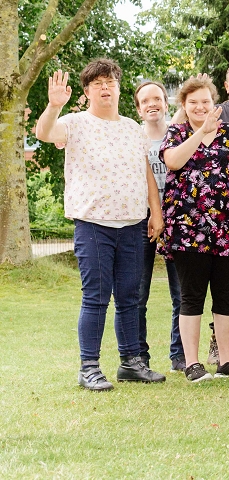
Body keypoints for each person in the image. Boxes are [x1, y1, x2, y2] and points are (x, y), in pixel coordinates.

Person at [34, 59, 166, 391]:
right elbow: (43, 133)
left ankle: (131, 363)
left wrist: (156, 212)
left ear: (119, 88)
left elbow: (146, 173)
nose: (105, 88)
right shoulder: (74, 123)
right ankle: (89, 368)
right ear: (87, 91)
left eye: (110, 82)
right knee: (96, 297)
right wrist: (54, 106)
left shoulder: (133, 128)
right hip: (93, 224)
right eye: (97, 84)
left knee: (130, 297)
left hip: (133, 224)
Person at [160, 77, 229, 382]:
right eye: (193, 102)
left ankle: (226, 360)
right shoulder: (177, 133)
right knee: (192, 296)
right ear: (184, 105)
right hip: (187, 229)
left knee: (226, 295)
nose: (200, 107)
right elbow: (173, 162)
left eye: (205, 101)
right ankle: (192, 364)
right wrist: (200, 133)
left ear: (214, 103)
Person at [133, 80, 185, 372]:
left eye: (157, 99)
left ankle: (179, 355)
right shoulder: (133, 137)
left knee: (182, 294)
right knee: (138, 294)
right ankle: (139, 355)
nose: (152, 104)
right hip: (142, 220)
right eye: (145, 101)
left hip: (177, 219)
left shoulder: (179, 135)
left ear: (166, 104)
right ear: (139, 109)